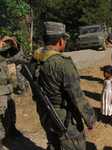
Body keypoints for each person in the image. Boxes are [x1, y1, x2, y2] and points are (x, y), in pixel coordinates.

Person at [27, 21, 96, 150]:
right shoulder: (63, 64)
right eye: (65, 39)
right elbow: (77, 97)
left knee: (53, 142)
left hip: (45, 113)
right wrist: (90, 118)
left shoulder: (34, 60)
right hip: (64, 118)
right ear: (60, 41)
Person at [0, 36, 23, 149]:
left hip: (7, 86)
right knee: (1, 113)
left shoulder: (4, 51)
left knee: (10, 108)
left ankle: (11, 130)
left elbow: (17, 57)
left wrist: (15, 44)